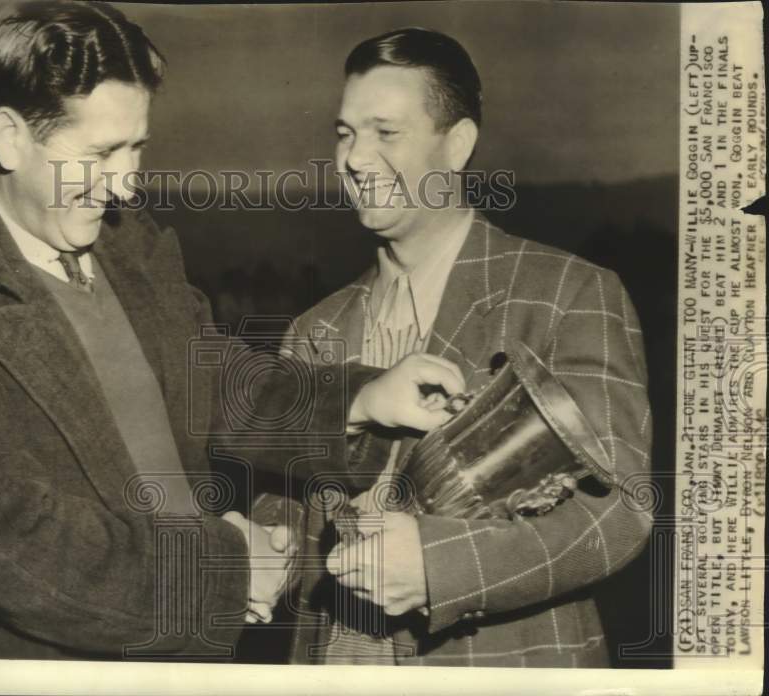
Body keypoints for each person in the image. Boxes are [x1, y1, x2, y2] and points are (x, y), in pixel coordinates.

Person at [0, 2, 461, 660]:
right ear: (10, 137)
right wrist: (227, 570)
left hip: (183, 652)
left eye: (136, 148)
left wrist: (358, 401)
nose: (126, 184)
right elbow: (19, 551)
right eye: (101, 152)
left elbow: (212, 379)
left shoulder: (125, 241)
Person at [259, 28, 653, 667]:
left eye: (386, 133)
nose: (356, 158)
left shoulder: (567, 293)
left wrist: (436, 566)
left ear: (458, 144)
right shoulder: (314, 330)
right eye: (344, 133)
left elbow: (620, 512)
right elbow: (284, 515)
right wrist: (258, 543)